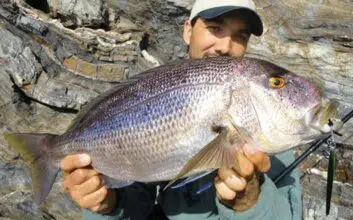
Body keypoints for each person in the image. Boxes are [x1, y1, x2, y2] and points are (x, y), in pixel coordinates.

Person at [60, 0, 302, 219]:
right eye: (215, 28)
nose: (225, 47)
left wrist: (251, 204)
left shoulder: (269, 132)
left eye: (240, 36)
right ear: (188, 31)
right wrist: (107, 204)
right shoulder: (150, 95)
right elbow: (134, 201)